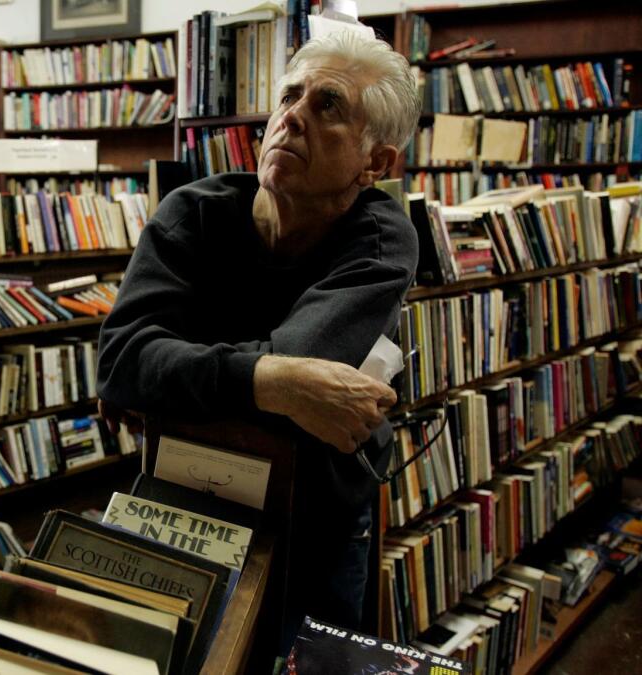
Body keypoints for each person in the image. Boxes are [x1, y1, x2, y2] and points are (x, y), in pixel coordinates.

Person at [95, 30, 421, 650]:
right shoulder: (192, 212)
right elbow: (120, 362)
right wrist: (270, 381)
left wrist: (172, 373)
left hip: (314, 518)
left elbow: (297, 376)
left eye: (328, 105)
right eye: (288, 97)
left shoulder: (383, 236)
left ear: (376, 163)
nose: (292, 117)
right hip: (181, 498)